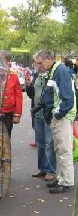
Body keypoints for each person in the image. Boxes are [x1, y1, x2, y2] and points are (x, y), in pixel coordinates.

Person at [34, 50, 76, 194]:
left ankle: (66, 182)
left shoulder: (60, 71)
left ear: (49, 59)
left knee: (63, 149)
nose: (38, 66)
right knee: (59, 149)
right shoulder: (55, 71)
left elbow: (67, 98)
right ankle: (61, 178)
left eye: (40, 62)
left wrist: (57, 114)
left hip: (62, 117)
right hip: (59, 117)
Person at [26, 70, 56, 181]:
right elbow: (31, 95)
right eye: (36, 63)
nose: (37, 66)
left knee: (49, 144)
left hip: (48, 115)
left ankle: (50, 170)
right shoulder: (36, 76)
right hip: (37, 114)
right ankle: (42, 169)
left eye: (39, 63)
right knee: (40, 143)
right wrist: (29, 86)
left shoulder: (52, 75)